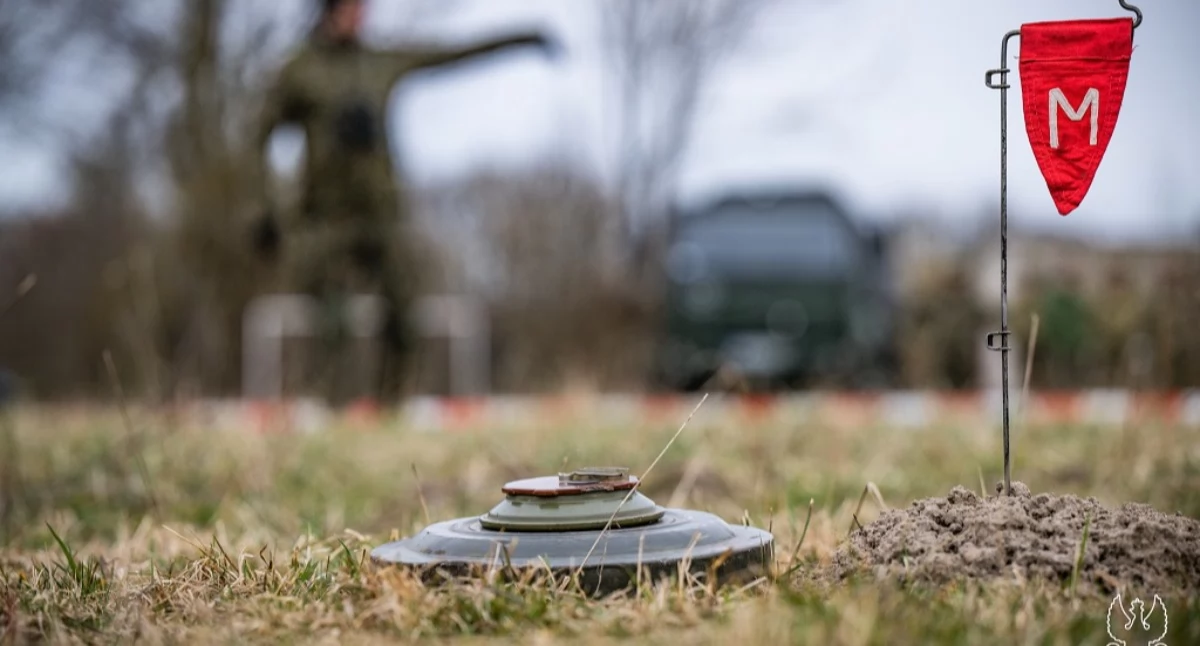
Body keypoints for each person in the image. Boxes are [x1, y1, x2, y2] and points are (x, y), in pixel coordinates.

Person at [249, 0, 556, 404]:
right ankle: (331, 404)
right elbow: (259, 134)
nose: (362, 16)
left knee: (403, 308)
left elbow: (453, 53)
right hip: (325, 217)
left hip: (381, 213)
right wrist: (265, 207)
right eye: (353, 8)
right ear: (329, 11)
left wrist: (525, 38)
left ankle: (389, 403)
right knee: (330, 314)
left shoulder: (380, 64)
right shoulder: (300, 71)